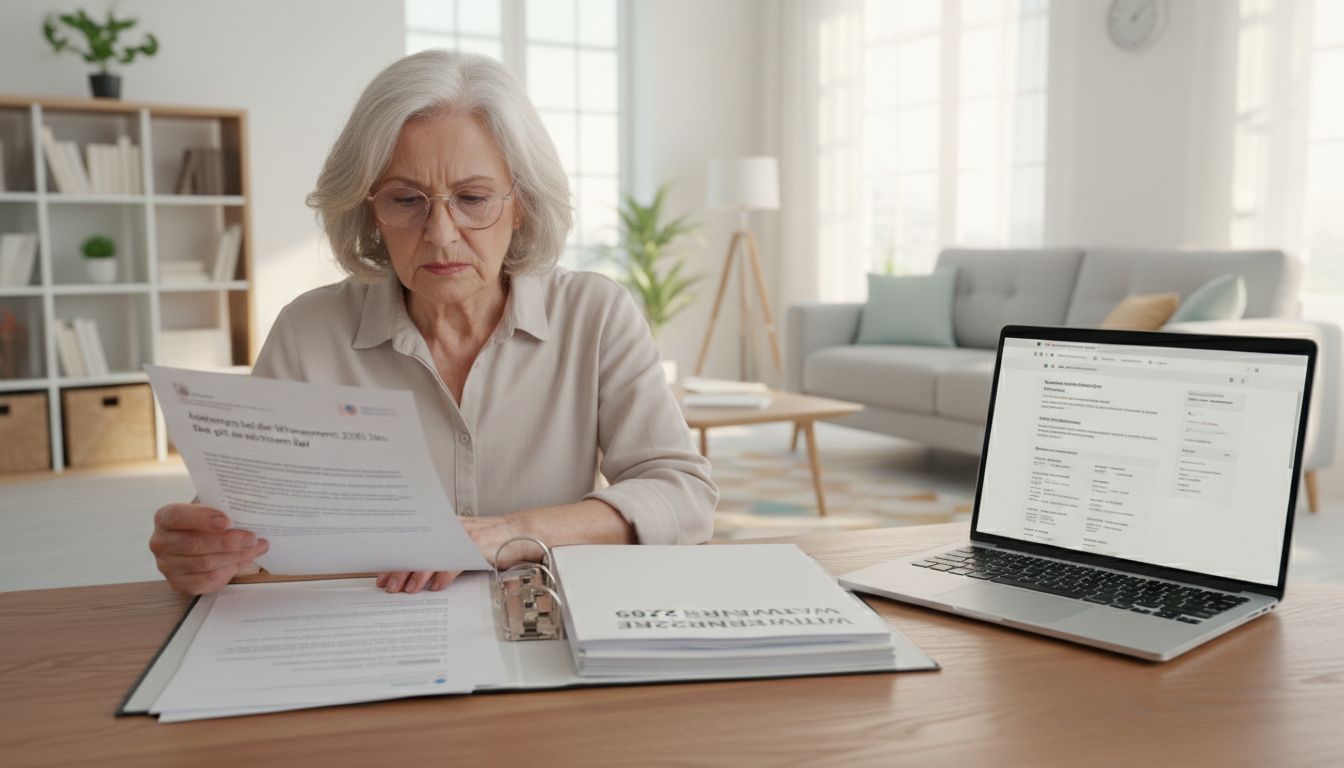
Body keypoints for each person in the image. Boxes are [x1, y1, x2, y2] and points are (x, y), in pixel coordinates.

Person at [149, 50, 717, 596]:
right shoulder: (308, 331)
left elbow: (684, 497)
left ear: (521, 205)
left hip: (545, 627)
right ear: (369, 210)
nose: (441, 233)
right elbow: (244, 526)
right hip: (371, 636)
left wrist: (515, 532)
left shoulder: (595, 315)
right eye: (406, 200)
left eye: (472, 198)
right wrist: (205, 553)